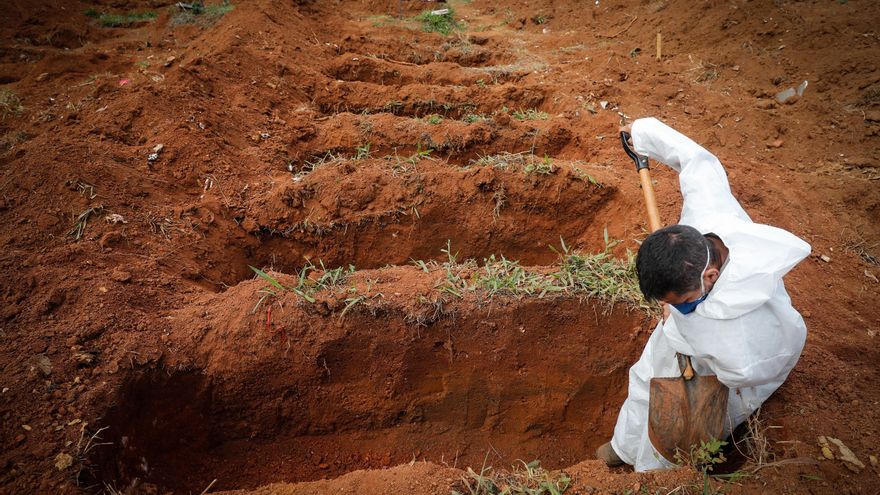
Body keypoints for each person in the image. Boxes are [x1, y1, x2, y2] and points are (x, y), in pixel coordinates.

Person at [595, 117, 811, 471]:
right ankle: (624, 445)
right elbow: (697, 161)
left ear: (710, 277)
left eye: (681, 303)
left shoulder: (738, 340)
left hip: (734, 369)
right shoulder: (709, 217)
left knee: (685, 424)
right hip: (693, 338)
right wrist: (643, 133)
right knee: (646, 376)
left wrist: (692, 355)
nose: (674, 308)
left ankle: (651, 474)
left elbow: (738, 374)